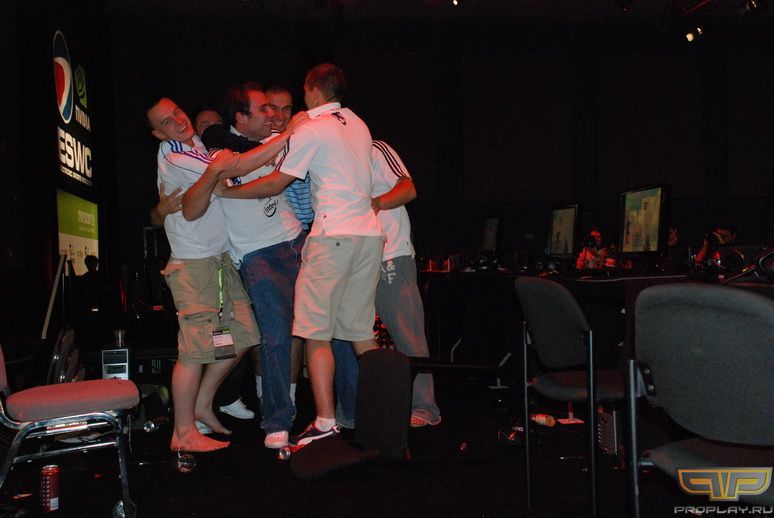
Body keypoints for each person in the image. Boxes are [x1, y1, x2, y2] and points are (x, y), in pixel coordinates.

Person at [217, 63, 383, 447]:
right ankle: (376, 416)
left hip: (333, 237)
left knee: (315, 334)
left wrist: (227, 191)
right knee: (359, 334)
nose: (278, 113)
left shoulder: (311, 129)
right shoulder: (359, 124)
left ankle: (325, 421)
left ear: (312, 90)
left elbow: (276, 183)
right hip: (368, 236)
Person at [147, 96, 262, 452]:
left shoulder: (196, 144)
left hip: (219, 261)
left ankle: (202, 403)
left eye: (178, 112)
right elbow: (228, 170)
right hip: (194, 266)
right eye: (167, 122)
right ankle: (182, 432)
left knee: (242, 336)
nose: (178, 121)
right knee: (194, 352)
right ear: (158, 134)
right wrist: (286, 140)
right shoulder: (173, 153)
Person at [205, 83, 307, 449]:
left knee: (323, 329)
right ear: (241, 117)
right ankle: (277, 420)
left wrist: (287, 134)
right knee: (275, 335)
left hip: (297, 240)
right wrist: (286, 135)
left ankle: (344, 412)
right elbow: (237, 163)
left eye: (276, 109)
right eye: (263, 109)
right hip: (258, 253)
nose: (273, 115)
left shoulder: (275, 140)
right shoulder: (217, 148)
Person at [370, 140, 442, 427]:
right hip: (355, 256)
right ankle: (363, 404)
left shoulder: (374, 148)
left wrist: (374, 204)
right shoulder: (337, 157)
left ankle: (425, 407)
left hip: (390, 254)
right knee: (356, 335)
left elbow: (408, 189)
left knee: (407, 334)